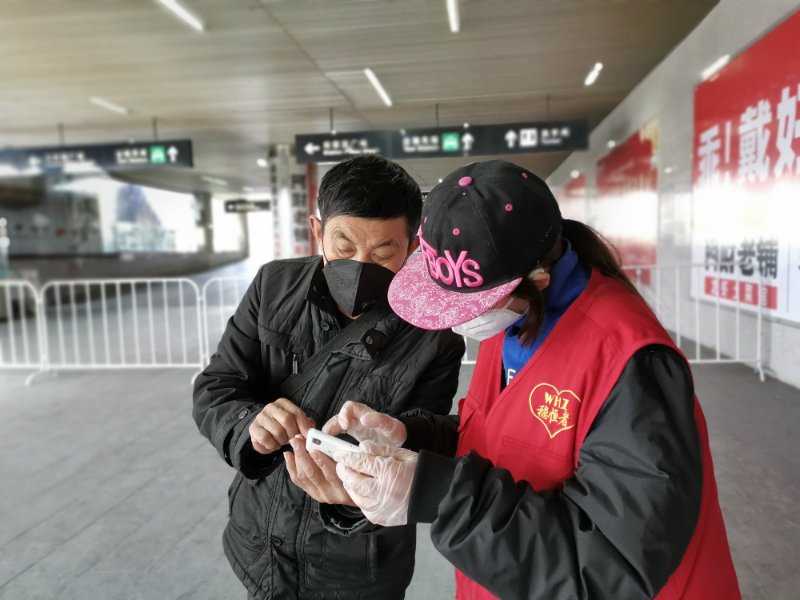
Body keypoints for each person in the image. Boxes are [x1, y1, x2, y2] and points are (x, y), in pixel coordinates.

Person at [328, 160, 741, 599]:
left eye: (470, 303)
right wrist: (411, 439)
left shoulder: (631, 363)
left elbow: (610, 565)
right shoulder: (512, 315)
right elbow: (504, 436)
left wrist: (437, 492)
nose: (459, 320)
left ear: (538, 279)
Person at [192, 154, 465, 600]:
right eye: (343, 245)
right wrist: (249, 423)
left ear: (413, 246)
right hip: (261, 539)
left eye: (383, 252)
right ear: (318, 231)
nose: (360, 264)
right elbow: (217, 384)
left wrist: (357, 500)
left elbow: (420, 441)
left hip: (359, 560)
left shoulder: (434, 335)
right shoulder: (273, 286)